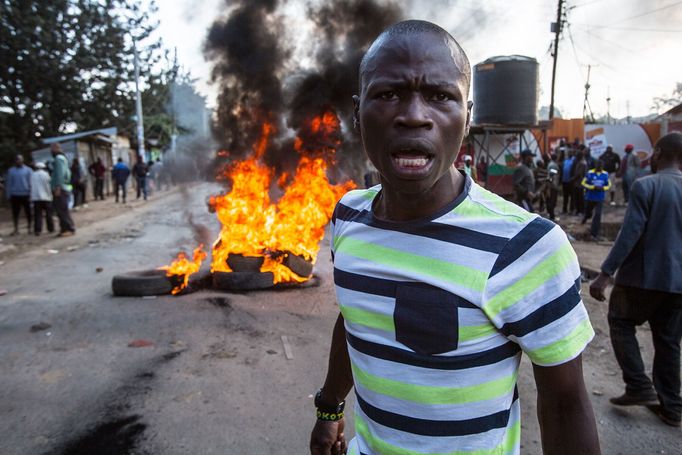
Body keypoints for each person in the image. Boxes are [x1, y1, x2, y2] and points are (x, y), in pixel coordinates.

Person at [310, 20, 600, 455]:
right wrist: (329, 409)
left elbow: (565, 406)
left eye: (440, 95)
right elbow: (355, 320)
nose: (413, 114)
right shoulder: (349, 215)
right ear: (357, 112)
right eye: (388, 94)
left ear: (467, 116)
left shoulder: (526, 247)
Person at [590, 132, 682, 428]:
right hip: (678, 285)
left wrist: (605, 275)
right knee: (669, 342)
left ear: (657, 153)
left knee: (620, 322)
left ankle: (639, 385)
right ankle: (672, 407)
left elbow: (629, 233)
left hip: (642, 278)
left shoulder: (646, 186)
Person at [50, 143, 76, 237]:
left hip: (61, 189)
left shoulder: (58, 159)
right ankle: (65, 229)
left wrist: (58, 187)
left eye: (52, 148)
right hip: (63, 187)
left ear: (56, 148)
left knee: (61, 210)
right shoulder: (62, 158)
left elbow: (60, 174)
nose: (51, 151)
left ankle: (68, 228)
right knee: (62, 209)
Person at [581, 159, 610, 241]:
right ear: (595, 166)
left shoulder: (605, 174)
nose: (599, 167)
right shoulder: (590, 173)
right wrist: (592, 187)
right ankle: (585, 218)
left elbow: (608, 185)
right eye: (598, 166)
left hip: (600, 198)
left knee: (597, 215)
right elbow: (583, 183)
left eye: (601, 166)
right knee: (588, 212)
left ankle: (594, 233)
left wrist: (603, 188)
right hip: (590, 197)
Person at [5, 154, 32, 235]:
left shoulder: (28, 170)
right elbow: (9, 184)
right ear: (15, 161)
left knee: (28, 212)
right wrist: (8, 195)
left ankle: (29, 228)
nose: (18, 161)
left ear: (22, 160)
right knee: (15, 213)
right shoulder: (11, 171)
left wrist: (31, 194)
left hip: (26, 194)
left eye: (20, 159)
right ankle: (16, 229)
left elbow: (31, 183)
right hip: (15, 195)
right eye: (17, 160)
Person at [30, 162, 54, 235]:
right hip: (46, 197)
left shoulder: (32, 175)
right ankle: (51, 229)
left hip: (36, 198)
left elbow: (31, 186)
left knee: (38, 215)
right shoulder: (46, 175)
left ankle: (38, 230)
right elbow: (49, 185)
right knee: (49, 214)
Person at [571, 150, 588, 216]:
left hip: (580, 183)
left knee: (580, 198)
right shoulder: (580, 162)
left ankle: (581, 211)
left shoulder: (582, 163)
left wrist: (572, 179)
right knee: (578, 198)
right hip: (578, 183)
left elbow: (578, 174)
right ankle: (578, 211)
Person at [546, 152, 561, 221]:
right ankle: (552, 216)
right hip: (553, 186)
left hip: (552, 185)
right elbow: (551, 175)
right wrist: (551, 185)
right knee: (552, 201)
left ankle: (550, 214)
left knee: (550, 201)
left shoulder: (550, 164)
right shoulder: (553, 165)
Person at [561, 148, 575, 214]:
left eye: (571, 152)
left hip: (571, 182)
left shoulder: (574, 160)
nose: (570, 154)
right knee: (565, 196)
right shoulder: (565, 160)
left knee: (572, 197)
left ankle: (571, 209)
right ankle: (564, 209)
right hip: (564, 181)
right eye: (569, 152)